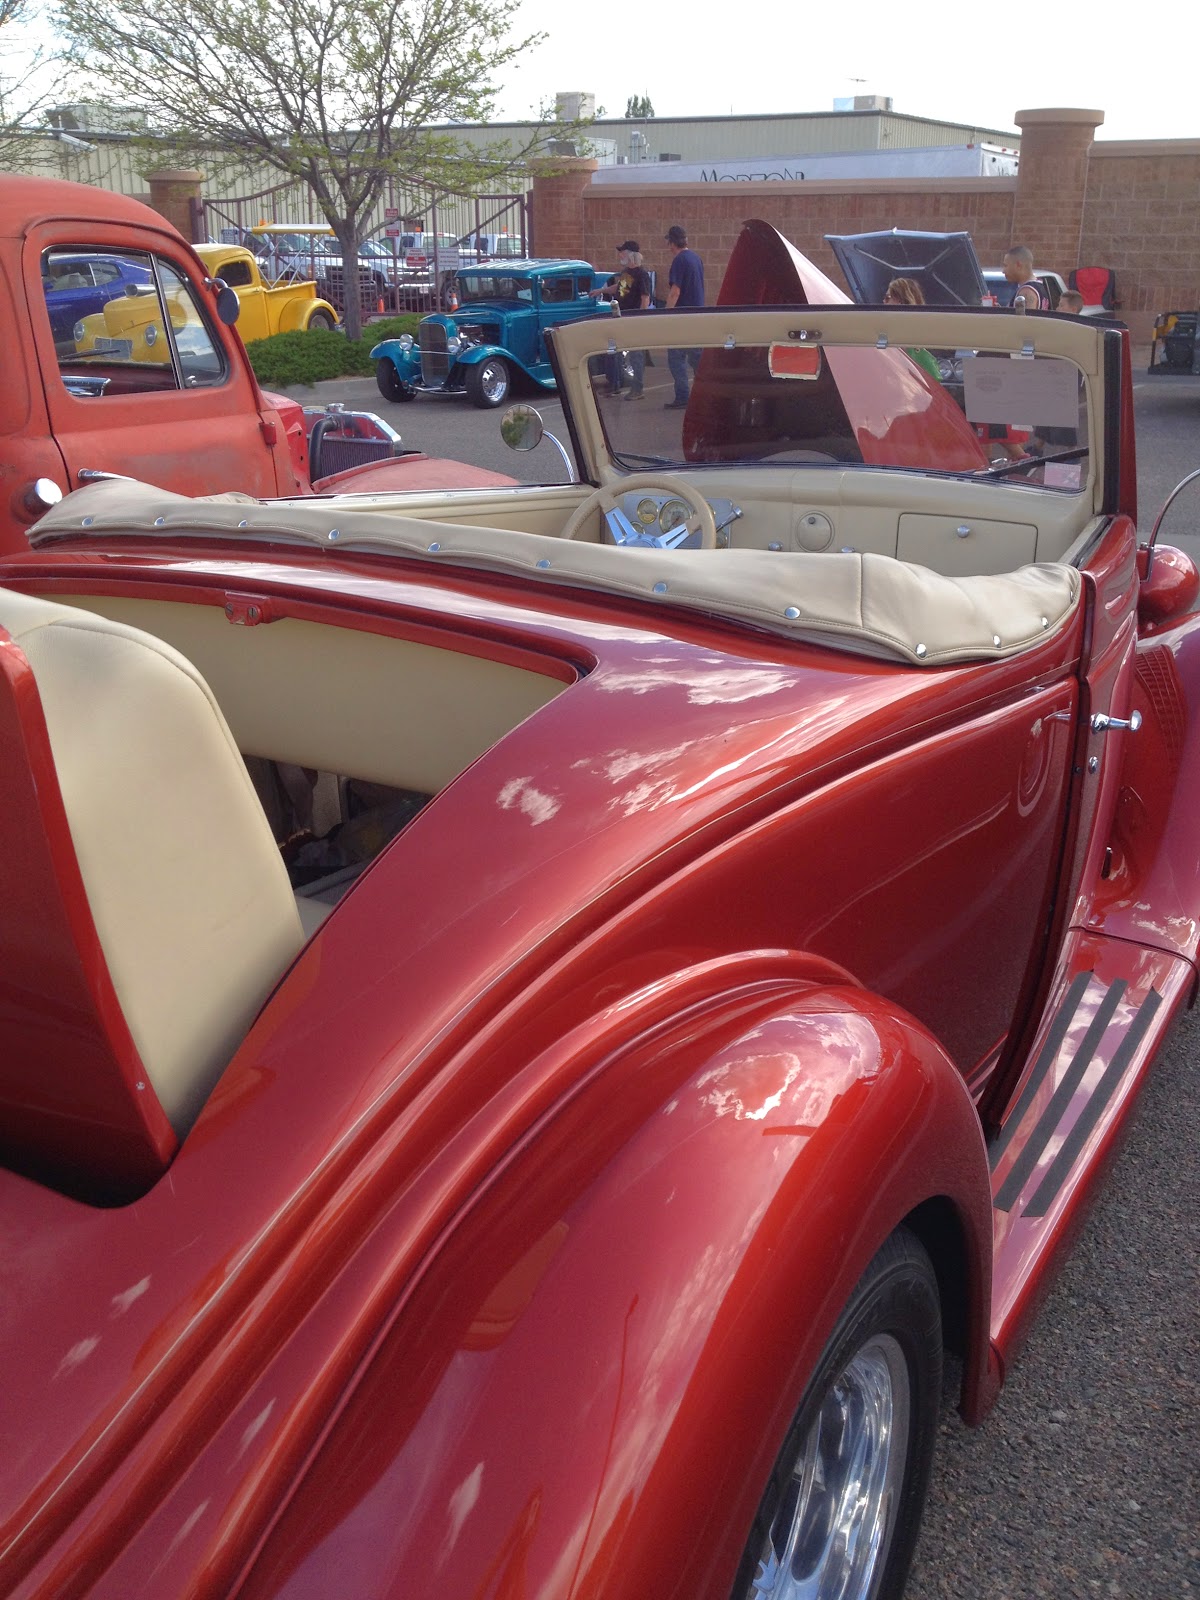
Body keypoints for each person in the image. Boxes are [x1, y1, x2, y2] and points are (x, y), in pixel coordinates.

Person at [588, 240, 653, 395]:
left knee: (636, 355)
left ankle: (637, 388)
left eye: (623, 252)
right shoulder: (626, 273)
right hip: (621, 318)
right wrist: (599, 291)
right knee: (614, 350)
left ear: (631, 254)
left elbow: (645, 298)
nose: (620, 255)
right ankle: (615, 383)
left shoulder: (642, 275)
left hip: (633, 319)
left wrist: (641, 317)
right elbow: (620, 287)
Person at [663, 223, 705, 408]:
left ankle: (682, 397)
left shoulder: (679, 261)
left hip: (681, 317)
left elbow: (675, 292)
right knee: (697, 359)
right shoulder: (696, 258)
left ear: (672, 243)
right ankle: (705, 394)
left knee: (676, 358)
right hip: (697, 316)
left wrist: (666, 314)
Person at [883, 276, 941, 382]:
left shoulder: (919, 354)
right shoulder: (883, 336)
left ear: (900, 302)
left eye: (887, 298)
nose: (883, 301)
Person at [1002, 245, 1049, 312]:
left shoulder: (1027, 291)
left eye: (1006, 266)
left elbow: (1024, 322)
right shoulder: (1038, 286)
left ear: (1018, 265)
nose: (1003, 271)